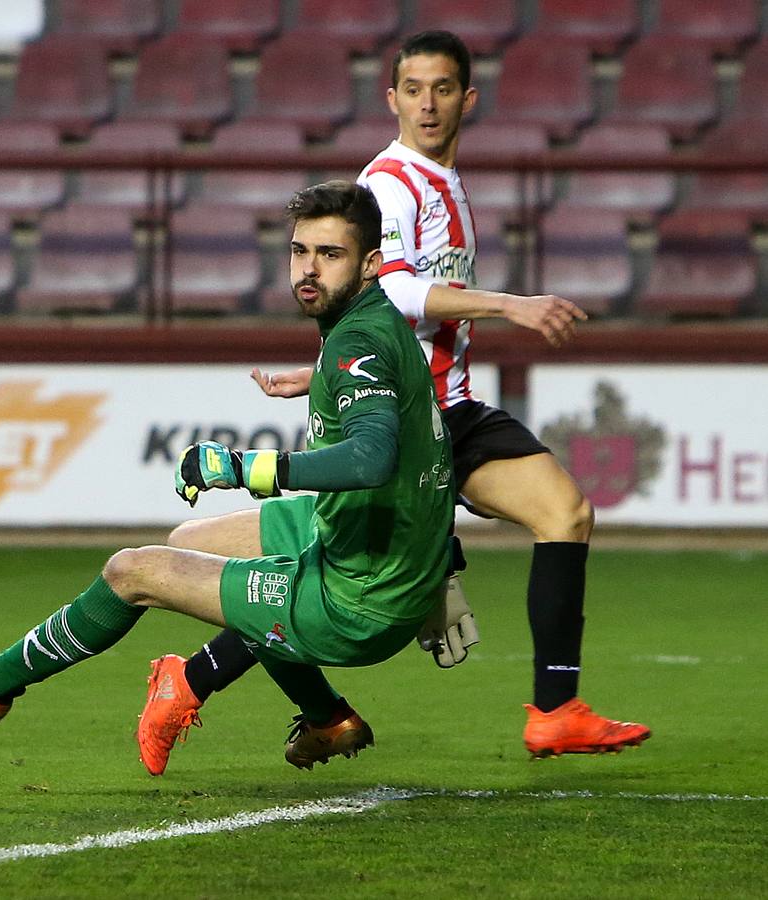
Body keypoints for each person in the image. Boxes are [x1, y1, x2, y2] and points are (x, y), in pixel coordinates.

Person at [137, 30, 651, 774]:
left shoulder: (445, 180)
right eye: (414, 89)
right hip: (413, 424)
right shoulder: (393, 183)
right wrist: (511, 305)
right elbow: (397, 290)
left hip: (455, 410)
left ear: (467, 98)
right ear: (393, 99)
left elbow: (375, 310)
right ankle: (196, 680)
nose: (429, 103)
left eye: (443, 88)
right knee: (323, 576)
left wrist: (317, 368)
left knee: (565, 513)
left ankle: (555, 711)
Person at [0, 180, 457, 770]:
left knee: (132, 572)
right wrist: (442, 557)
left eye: (330, 255)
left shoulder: (354, 344)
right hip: (383, 549)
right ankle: (327, 719)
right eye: (299, 251)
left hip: (359, 597)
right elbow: (421, 452)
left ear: (370, 263)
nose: (309, 270)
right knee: (189, 544)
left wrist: (247, 467)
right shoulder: (381, 325)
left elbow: (372, 458)